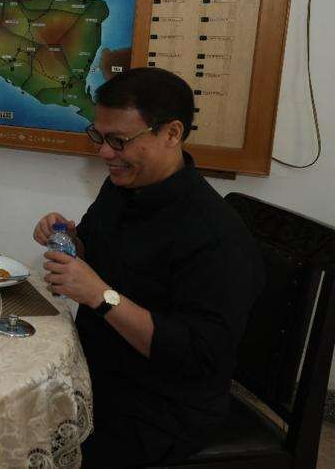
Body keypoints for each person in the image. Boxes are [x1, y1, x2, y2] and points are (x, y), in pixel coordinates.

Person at [33, 67, 264, 467]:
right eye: (99, 137)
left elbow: (194, 356)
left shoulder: (214, 235)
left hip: (161, 407)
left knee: (24, 439)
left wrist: (100, 296)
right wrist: (70, 241)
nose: (104, 153)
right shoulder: (126, 186)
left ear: (171, 134)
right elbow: (101, 255)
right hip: (99, 367)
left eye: (118, 141)